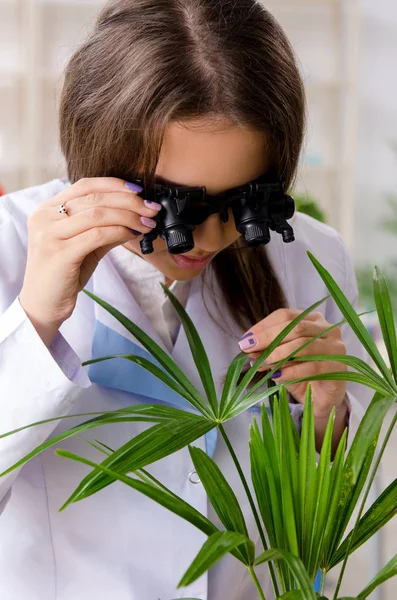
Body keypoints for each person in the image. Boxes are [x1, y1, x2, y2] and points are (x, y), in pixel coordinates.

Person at [0, 1, 371, 599]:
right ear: (96, 153)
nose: (202, 238)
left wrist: (329, 417)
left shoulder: (309, 258)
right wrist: (36, 321)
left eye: (239, 204)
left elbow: (325, 532)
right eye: (175, 206)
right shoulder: (11, 244)